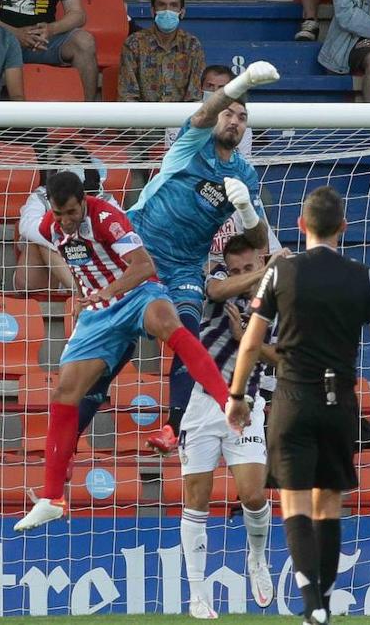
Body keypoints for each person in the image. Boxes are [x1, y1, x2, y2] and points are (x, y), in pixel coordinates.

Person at [11, 171, 236, 531]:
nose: (66, 220)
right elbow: (77, 259)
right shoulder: (50, 226)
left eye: (72, 212)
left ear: (83, 201)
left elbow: (145, 266)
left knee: (171, 326)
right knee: (65, 392)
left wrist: (107, 290)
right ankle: (52, 498)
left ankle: (227, 401)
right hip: (99, 315)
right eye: (60, 213)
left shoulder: (106, 217)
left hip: (136, 294)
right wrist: (83, 294)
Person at [225, 185, 370, 625]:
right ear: (343, 227)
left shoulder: (281, 272)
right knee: (330, 503)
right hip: (341, 401)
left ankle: (312, 604)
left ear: (301, 226)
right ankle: (320, 603)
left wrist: (238, 395)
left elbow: (251, 340)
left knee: (294, 501)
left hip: (293, 397)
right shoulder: (363, 276)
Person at [124, 62, 279, 454]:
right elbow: (201, 114)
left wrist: (245, 210)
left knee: (188, 335)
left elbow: (259, 238)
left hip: (185, 267)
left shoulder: (245, 174)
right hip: (141, 249)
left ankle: (173, 428)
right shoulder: (191, 143)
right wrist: (241, 85)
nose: (234, 121)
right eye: (229, 113)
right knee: (117, 342)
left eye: (242, 118)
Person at [179, 234, 283, 618]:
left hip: (247, 405)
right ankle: (197, 594)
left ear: (261, 261)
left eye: (249, 268)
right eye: (235, 268)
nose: (241, 274)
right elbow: (220, 288)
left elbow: (281, 360)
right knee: (196, 499)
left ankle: (257, 558)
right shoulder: (215, 283)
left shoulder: (277, 302)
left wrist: (245, 339)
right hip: (203, 404)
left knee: (253, 495)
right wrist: (266, 271)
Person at [15, 152, 118, 295]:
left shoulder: (103, 198)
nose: (67, 171)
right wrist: (64, 242)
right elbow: (27, 226)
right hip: (43, 275)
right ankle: (82, 293)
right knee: (41, 238)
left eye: (73, 166)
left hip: (91, 265)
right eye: (63, 166)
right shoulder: (41, 195)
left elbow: (118, 226)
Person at [118, 0, 205, 103]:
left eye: (174, 5)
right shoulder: (134, 44)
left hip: (180, 119)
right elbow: (127, 95)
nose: (167, 10)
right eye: (162, 5)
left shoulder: (192, 45)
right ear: (153, 11)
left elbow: (194, 96)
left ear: (182, 12)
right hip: (142, 118)